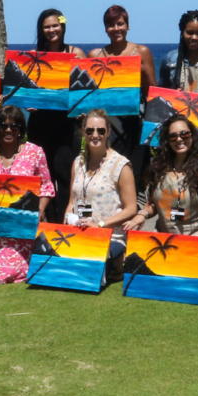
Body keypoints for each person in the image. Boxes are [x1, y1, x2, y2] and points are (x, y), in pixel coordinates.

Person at [141, 114, 198, 287]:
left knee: (185, 286)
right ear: (167, 140)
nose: (179, 139)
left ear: (192, 135)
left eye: (184, 134)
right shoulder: (157, 168)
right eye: (173, 136)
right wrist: (142, 214)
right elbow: (152, 204)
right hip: (165, 240)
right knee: (161, 285)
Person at [0, 105, 55, 284]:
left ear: (20, 129)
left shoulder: (35, 152)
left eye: (14, 126)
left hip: (22, 229)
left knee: (16, 272)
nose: (8, 130)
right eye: (3, 125)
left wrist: (40, 210)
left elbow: (47, 187)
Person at [66, 109, 141, 282]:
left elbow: (131, 209)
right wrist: (67, 223)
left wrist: (99, 225)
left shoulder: (121, 165)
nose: (95, 135)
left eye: (100, 130)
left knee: (86, 274)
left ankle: (117, 261)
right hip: (79, 233)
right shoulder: (77, 163)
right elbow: (71, 202)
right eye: (90, 130)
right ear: (83, 132)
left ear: (108, 132)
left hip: (109, 235)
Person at [29, 9, 84, 220]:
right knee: (43, 177)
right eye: (47, 27)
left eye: (55, 25)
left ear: (62, 26)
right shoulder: (33, 56)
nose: (51, 30)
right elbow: (26, 90)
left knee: (65, 174)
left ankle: (65, 221)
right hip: (40, 123)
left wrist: (82, 108)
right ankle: (49, 223)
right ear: (41, 29)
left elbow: (85, 89)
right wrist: (28, 103)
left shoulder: (76, 53)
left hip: (67, 125)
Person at [87, 4, 156, 174]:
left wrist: (143, 72)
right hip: (105, 125)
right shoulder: (95, 55)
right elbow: (89, 95)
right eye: (111, 25)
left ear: (128, 26)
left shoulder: (142, 51)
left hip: (134, 125)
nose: (116, 28)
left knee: (134, 173)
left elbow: (153, 93)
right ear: (105, 29)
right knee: (106, 173)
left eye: (120, 24)